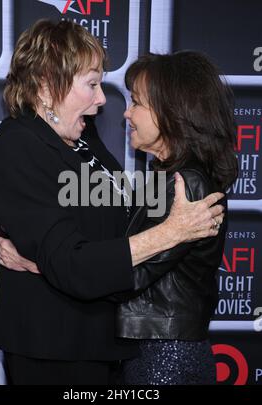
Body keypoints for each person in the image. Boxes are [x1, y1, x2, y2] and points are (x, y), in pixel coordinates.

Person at [0, 19, 224, 385]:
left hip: (103, 344)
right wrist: (173, 232)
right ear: (49, 84)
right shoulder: (18, 146)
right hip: (54, 348)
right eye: (92, 84)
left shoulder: (82, 136)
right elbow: (73, 263)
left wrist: (37, 263)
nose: (103, 100)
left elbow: (120, 225)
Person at [114, 51, 238, 385]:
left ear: (170, 112)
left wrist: (49, 265)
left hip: (165, 357)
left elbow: (131, 273)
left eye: (136, 103)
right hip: (154, 351)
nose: (126, 113)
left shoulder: (188, 184)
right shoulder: (166, 178)